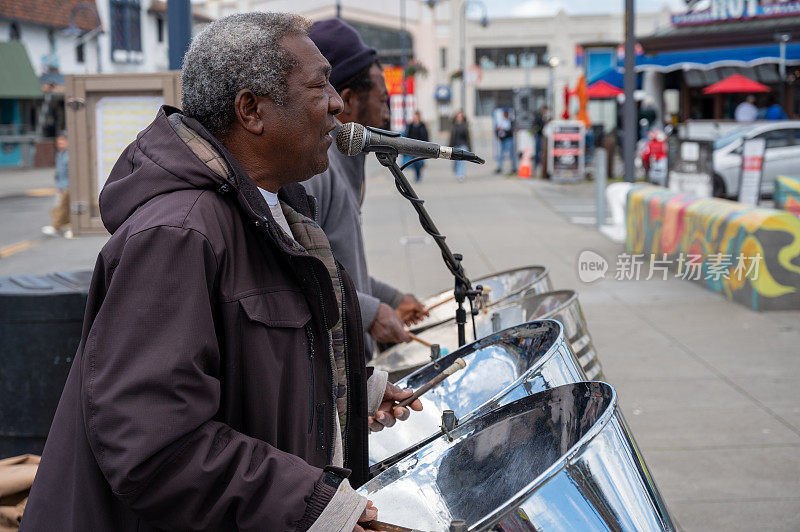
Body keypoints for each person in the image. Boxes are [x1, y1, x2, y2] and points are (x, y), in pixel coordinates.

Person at [21, 13, 421, 532]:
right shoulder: (178, 233)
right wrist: (307, 503)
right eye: (319, 85)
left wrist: (347, 391)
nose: (337, 103)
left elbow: (249, 365)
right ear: (251, 110)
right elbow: (153, 442)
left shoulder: (268, 210)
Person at [303, 18, 427, 358]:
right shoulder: (315, 170)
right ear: (347, 101)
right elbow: (301, 276)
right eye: (382, 100)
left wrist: (391, 298)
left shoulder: (345, 163)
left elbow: (341, 267)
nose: (387, 114)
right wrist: (372, 312)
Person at [41, 134, 72, 239]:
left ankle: (56, 227)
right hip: (61, 185)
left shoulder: (69, 155)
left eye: (62, 142)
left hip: (68, 185)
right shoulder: (60, 154)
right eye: (58, 143)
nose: (59, 144)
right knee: (61, 207)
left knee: (61, 207)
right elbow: (59, 171)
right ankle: (68, 226)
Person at [403, 111, 429, 182]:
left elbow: (425, 136)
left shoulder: (422, 125)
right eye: (414, 117)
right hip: (413, 147)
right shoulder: (411, 125)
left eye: (416, 117)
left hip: (421, 147)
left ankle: (419, 175)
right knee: (415, 163)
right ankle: (417, 176)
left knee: (419, 162)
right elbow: (407, 135)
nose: (415, 118)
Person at [450, 110, 471, 181]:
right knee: (456, 162)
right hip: (455, 145)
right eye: (458, 116)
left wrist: (470, 148)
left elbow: (468, 138)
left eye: (461, 117)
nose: (459, 118)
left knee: (462, 161)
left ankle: (461, 174)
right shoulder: (454, 126)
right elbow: (451, 138)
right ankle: (457, 172)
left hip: (463, 145)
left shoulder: (465, 126)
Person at [495, 109, 517, 174]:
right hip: (503, 139)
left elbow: (511, 130)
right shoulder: (501, 122)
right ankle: (499, 167)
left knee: (511, 154)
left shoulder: (510, 121)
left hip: (509, 139)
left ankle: (514, 168)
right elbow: (497, 130)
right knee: (501, 154)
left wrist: (504, 130)